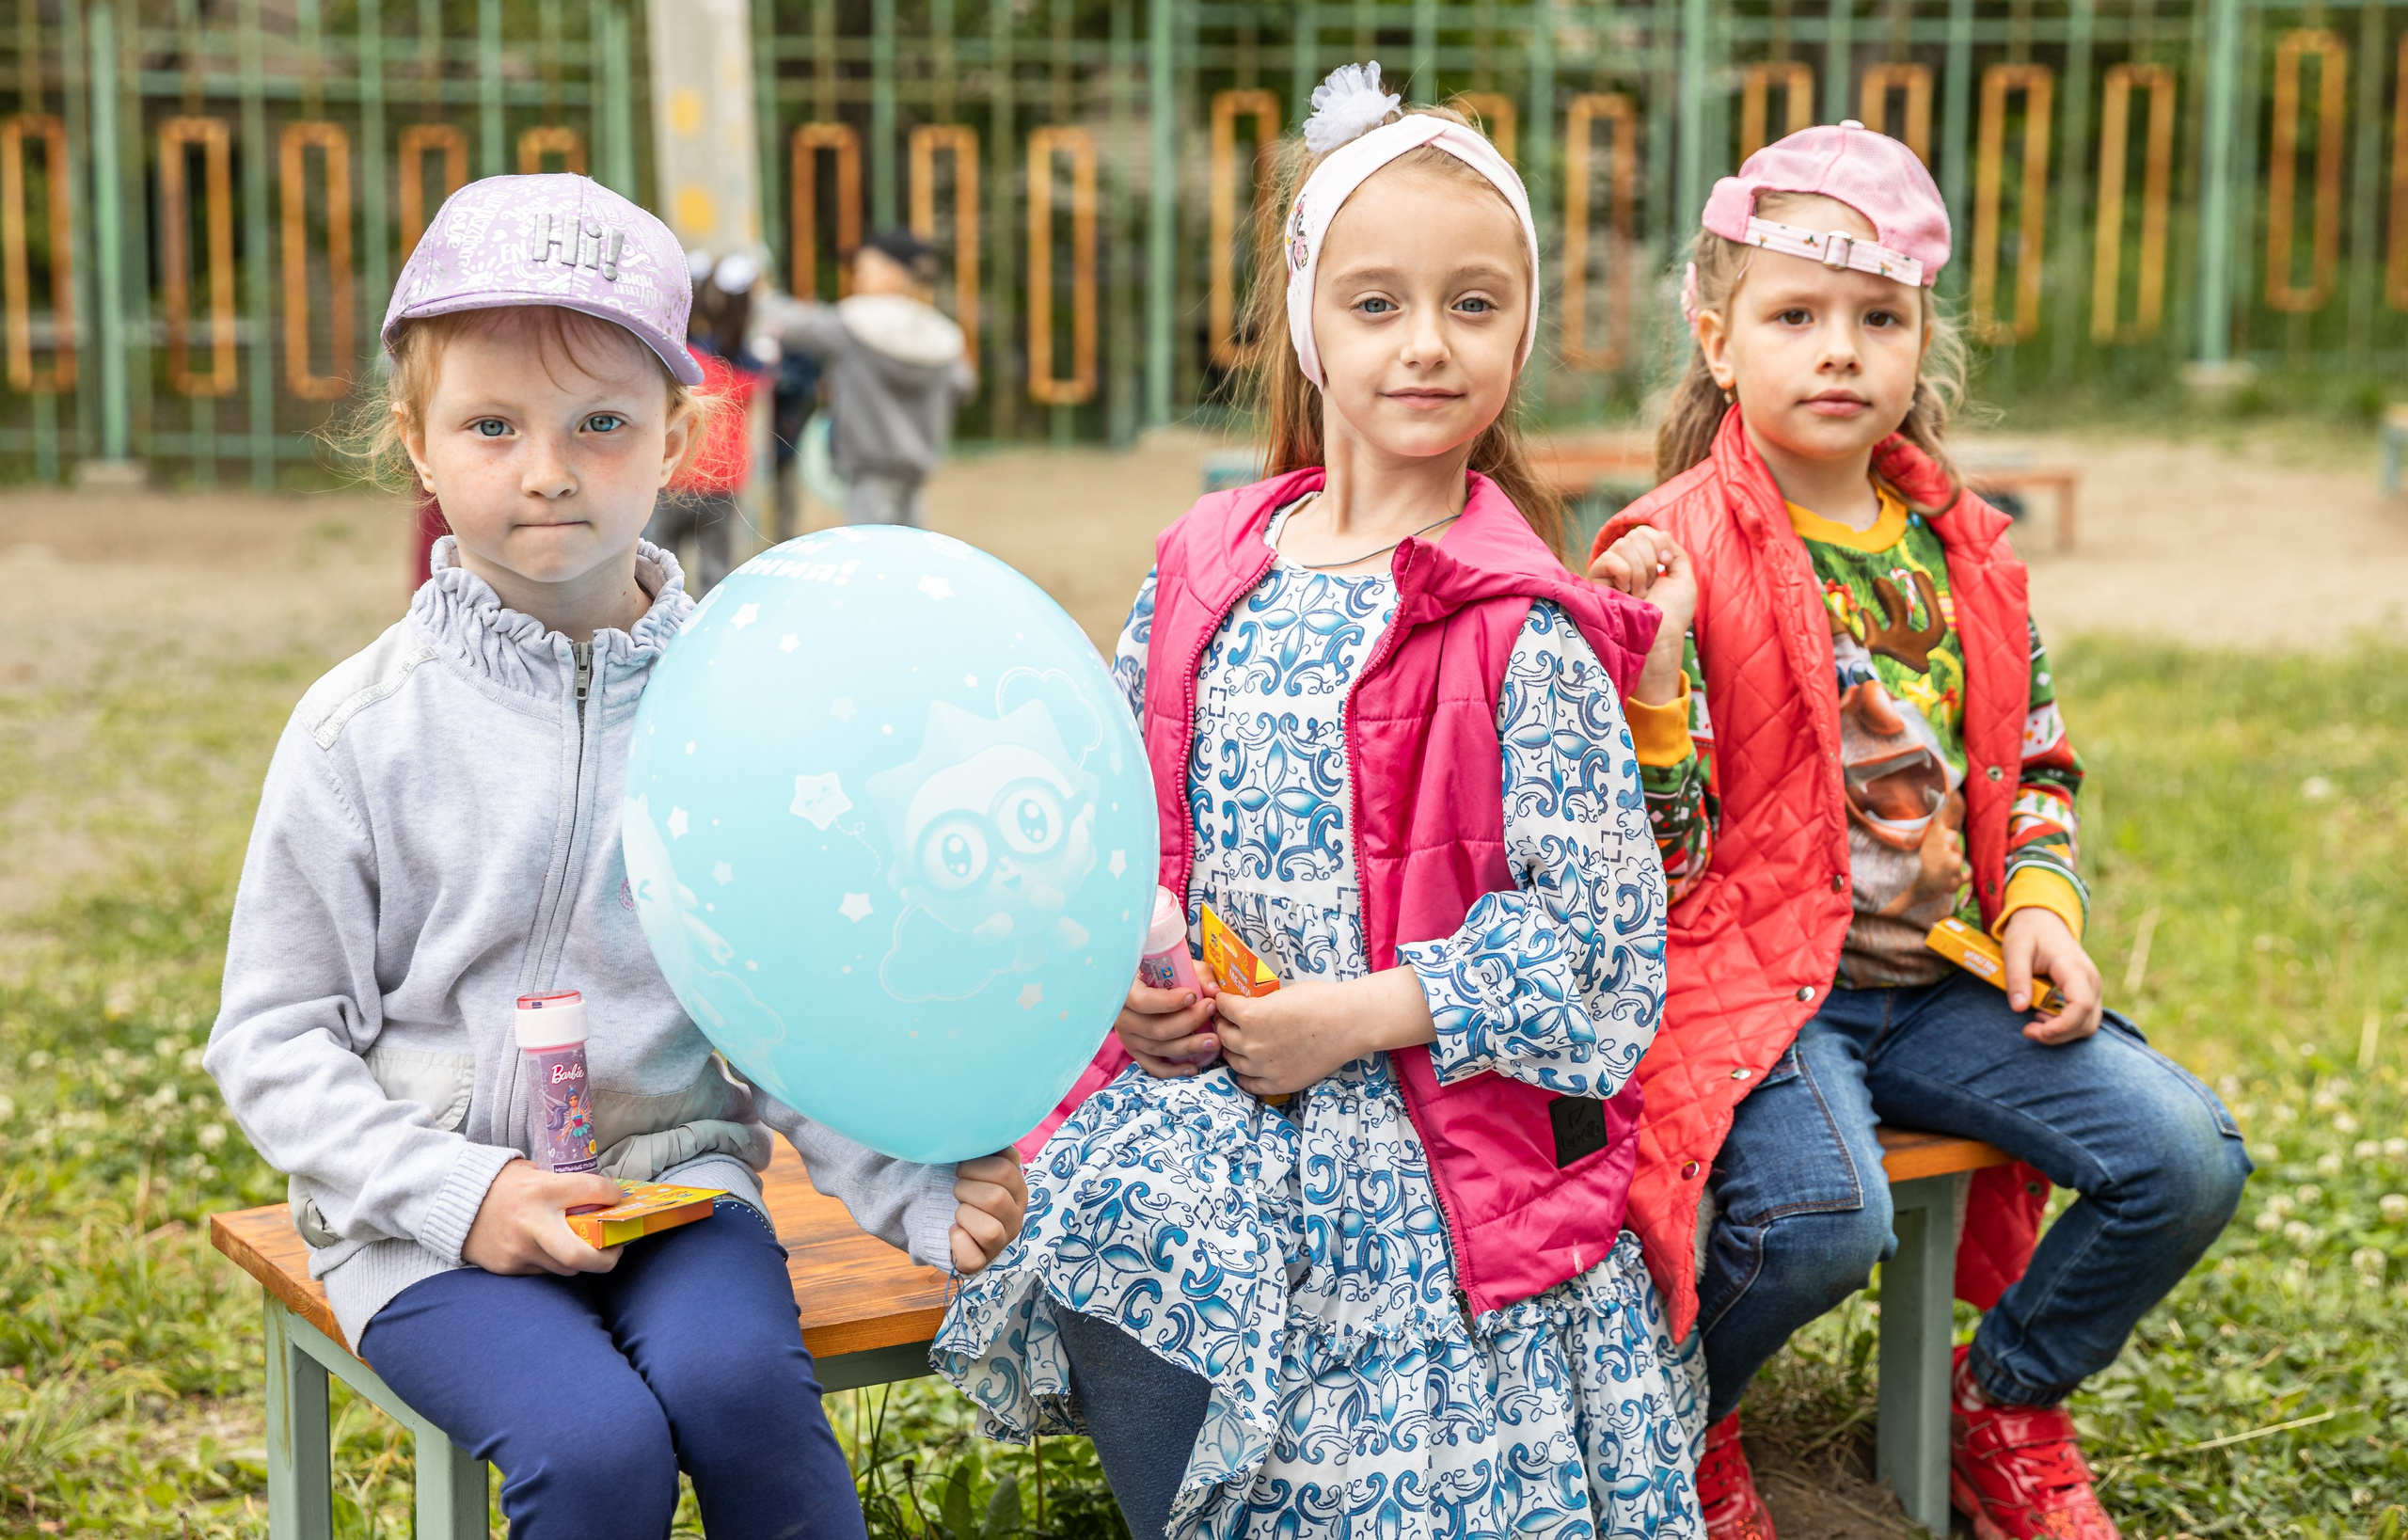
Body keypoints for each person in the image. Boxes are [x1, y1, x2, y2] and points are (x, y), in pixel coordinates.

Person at [935, 65, 1702, 1540]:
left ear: (1523, 329)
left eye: (1475, 305)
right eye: (1377, 304)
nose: (1426, 345)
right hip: (1201, 1095)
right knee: (1125, 1230)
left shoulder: (1519, 624)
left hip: (1418, 1140)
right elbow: (1110, 834)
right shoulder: (1207, 563)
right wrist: (1132, 989)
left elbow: (1604, 944)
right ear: (1308, 319)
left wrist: (1353, 1015)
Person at [205, 173, 1027, 1540]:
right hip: (425, 1226)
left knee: (744, 1398)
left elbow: (792, 997)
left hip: (676, 1192)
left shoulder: (742, 704)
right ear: (415, 443)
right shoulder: (361, 731)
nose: (548, 468)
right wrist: (467, 1195)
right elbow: (272, 1040)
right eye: (491, 424)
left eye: (600, 423)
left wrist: (910, 1185)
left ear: (680, 436)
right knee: (593, 1450)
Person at [1586, 123, 2250, 1540]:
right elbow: (1646, 859)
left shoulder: (1964, 553)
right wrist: (1651, 680)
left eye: (1877, 319)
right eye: (1795, 317)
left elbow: (2042, 763)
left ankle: (2001, 1400)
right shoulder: (1671, 549)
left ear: (1919, 343)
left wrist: (2040, 911)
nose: (1839, 351)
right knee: (1825, 1220)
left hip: (1938, 980)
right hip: (1767, 990)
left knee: (2186, 1157)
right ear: (1718, 342)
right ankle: (1680, 1419)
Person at [763, 227, 975, 527]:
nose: (857, 274)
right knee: (910, 553)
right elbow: (965, 384)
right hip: (917, 470)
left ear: (893, 273)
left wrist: (757, 292)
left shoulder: (853, 324)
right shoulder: (943, 335)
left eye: (865, 266)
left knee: (871, 555)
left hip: (868, 469)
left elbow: (791, 324)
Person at [643, 250, 770, 594]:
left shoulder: (675, 361)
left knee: (656, 571)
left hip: (673, 475)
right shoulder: (753, 366)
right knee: (716, 574)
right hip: (722, 481)